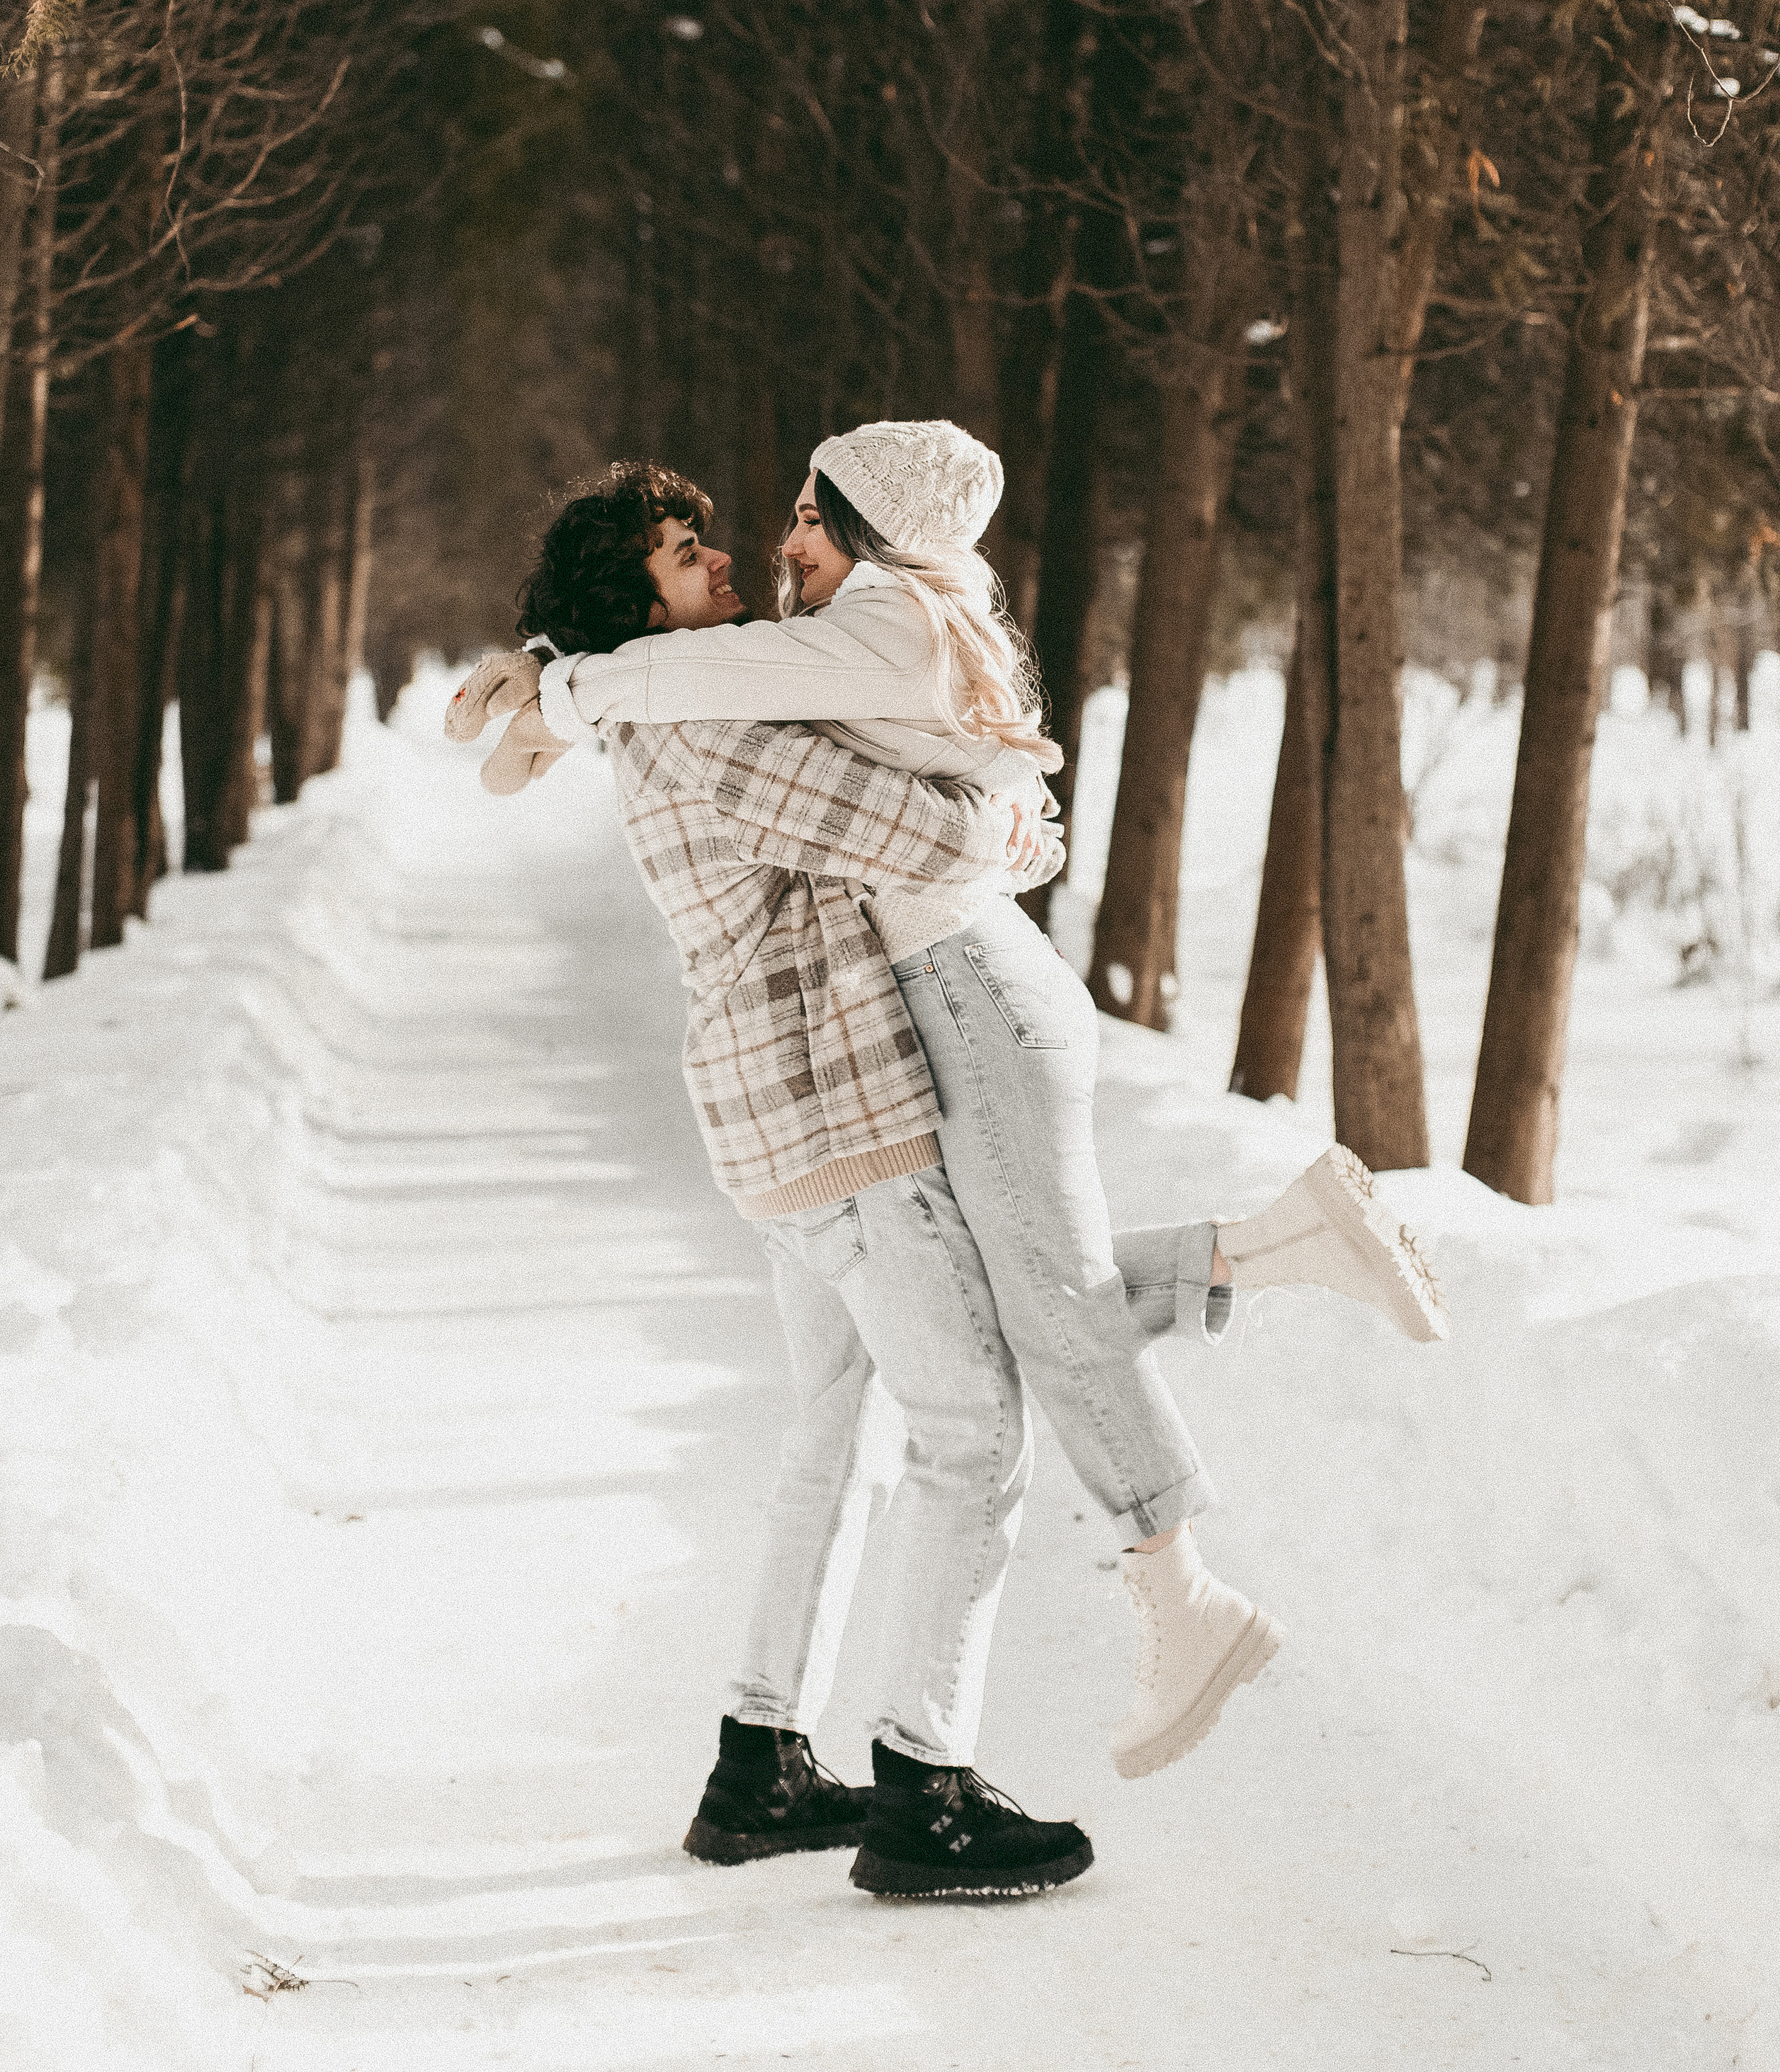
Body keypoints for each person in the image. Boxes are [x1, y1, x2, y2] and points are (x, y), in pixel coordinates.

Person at [453, 433, 1447, 1884]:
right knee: (972, 1433)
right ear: (638, 603)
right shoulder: (713, 732)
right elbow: (915, 835)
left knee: (829, 1432)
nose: (724, 559)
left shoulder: (671, 709)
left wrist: (559, 679)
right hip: (842, 1123)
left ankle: (758, 1755)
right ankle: (924, 1784)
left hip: (775, 1131)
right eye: (687, 556)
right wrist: (1013, 809)